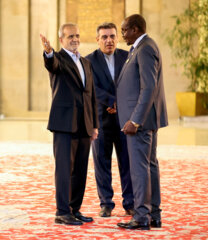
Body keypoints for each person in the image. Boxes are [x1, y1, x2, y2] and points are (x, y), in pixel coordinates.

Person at [40, 23, 99, 225]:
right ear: (61, 40)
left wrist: (95, 125)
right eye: (70, 36)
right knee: (64, 169)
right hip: (64, 123)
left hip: (85, 124)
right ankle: (62, 212)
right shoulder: (59, 59)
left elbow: (91, 95)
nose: (74, 39)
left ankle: (75, 209)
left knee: (80, 170)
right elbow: (52, 64)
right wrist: (48, 52)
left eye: (77, 35)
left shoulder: (86, 62)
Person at [115, 14, 168, 230]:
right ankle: (153, 214)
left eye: (125, 30)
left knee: (139, 168)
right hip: (145, 119)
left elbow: (149, 87)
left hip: (140, 123)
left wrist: (135, 120)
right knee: (149, 166)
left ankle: (141, 217)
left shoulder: (145, 48)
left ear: (136, 29)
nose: (123, 34)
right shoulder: (140, 47)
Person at [86, 22, 134, 217]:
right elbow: (90, 87)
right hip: (101, 120)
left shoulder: (127, 57)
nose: (109, 40)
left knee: (127, 162)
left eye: (112, 36)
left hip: (124, 121)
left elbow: (133, 83)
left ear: (117, 38)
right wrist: (112, 101)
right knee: (102, 162)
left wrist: (120, 105)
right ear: (97, 40)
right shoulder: (88, 61)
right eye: (104, 37)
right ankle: (106, 203)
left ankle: (130, 202)